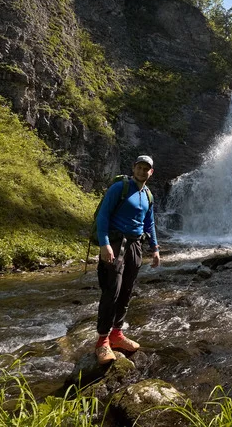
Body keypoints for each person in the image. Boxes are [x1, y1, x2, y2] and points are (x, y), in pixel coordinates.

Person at [94, 155, 161, 364]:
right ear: (134, 168)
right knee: (111, 290)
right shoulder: (119, 188)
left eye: (146, 169)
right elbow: (103, 216)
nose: (142, 171)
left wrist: (155, 249)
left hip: (135, 246)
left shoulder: (148, 195)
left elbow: (149, 223)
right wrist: (104, 243)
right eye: (139, 167)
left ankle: (117, 334)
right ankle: (102, 341)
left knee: (127, 291)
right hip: (115, 243)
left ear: (151, 172)